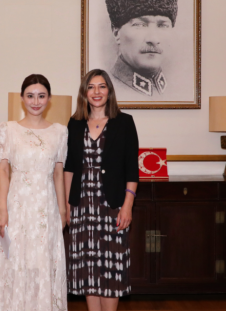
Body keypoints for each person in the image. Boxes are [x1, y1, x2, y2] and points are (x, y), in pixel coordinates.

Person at [0, 74, 68, 311]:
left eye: (41, 96)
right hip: (18, 206)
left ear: (49, 98)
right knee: (16, 261)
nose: (36, 101)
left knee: (43, 262)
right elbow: (3, 170)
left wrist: (62, 211)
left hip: (47, 208)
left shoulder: (60, 132)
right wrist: (2, 210)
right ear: (22, 98)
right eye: (30, 96)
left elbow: (58, 173)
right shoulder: (8, 129)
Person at [64, 69, 139, 311]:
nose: (96, 92)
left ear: (109, 91)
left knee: (111, 266)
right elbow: (69, 169)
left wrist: (127, 206)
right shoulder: (75, 124)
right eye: (91, 87)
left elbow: (132, 170)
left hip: (112, 206)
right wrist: (67, 206)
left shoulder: (124, 123)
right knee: (88, 267)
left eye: (102, 86)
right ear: (84, 93)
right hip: (81, 206)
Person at [103, 0, 179, 97]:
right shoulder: (105, 92)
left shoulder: (177, 91)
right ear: (116, 32)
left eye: (162, 25)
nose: (153, 39)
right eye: (140, 25)